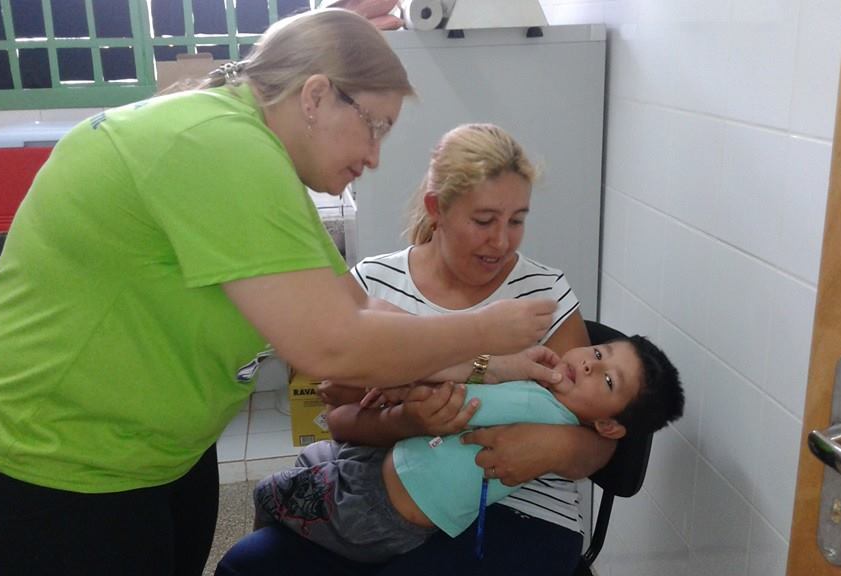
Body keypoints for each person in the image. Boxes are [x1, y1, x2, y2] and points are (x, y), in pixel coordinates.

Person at [0, 11, 558, 576]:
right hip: (47, 461)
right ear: (315, 96)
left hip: (152, 453)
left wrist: (493, 364)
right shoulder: (217, 143)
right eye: (374, 127)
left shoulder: (245, 150)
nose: (374, 156)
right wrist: (484, 329)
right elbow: (332, 345)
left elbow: (357, 308)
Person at [216, 124, 620, 575]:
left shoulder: (544, 291)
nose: (502, 241)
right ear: (436, 209)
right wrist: (405, 422)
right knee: (244, 565)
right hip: (389, 492)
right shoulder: (374, 283)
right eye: (483, 221)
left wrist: (550, 446)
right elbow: (341, 419)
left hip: (523, 508)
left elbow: (599, 446)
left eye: (517, 220)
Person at [251, 337, 684, 563]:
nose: (589, 364)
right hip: (390, 478)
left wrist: (400, 382)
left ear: (608, 425)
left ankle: (284, 534)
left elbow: (453, 392)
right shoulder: (547, 403)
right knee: (313, 462)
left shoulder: (537, 405)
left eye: (607, 380)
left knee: (269, 492)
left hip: (374, 506)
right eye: (598, 352)